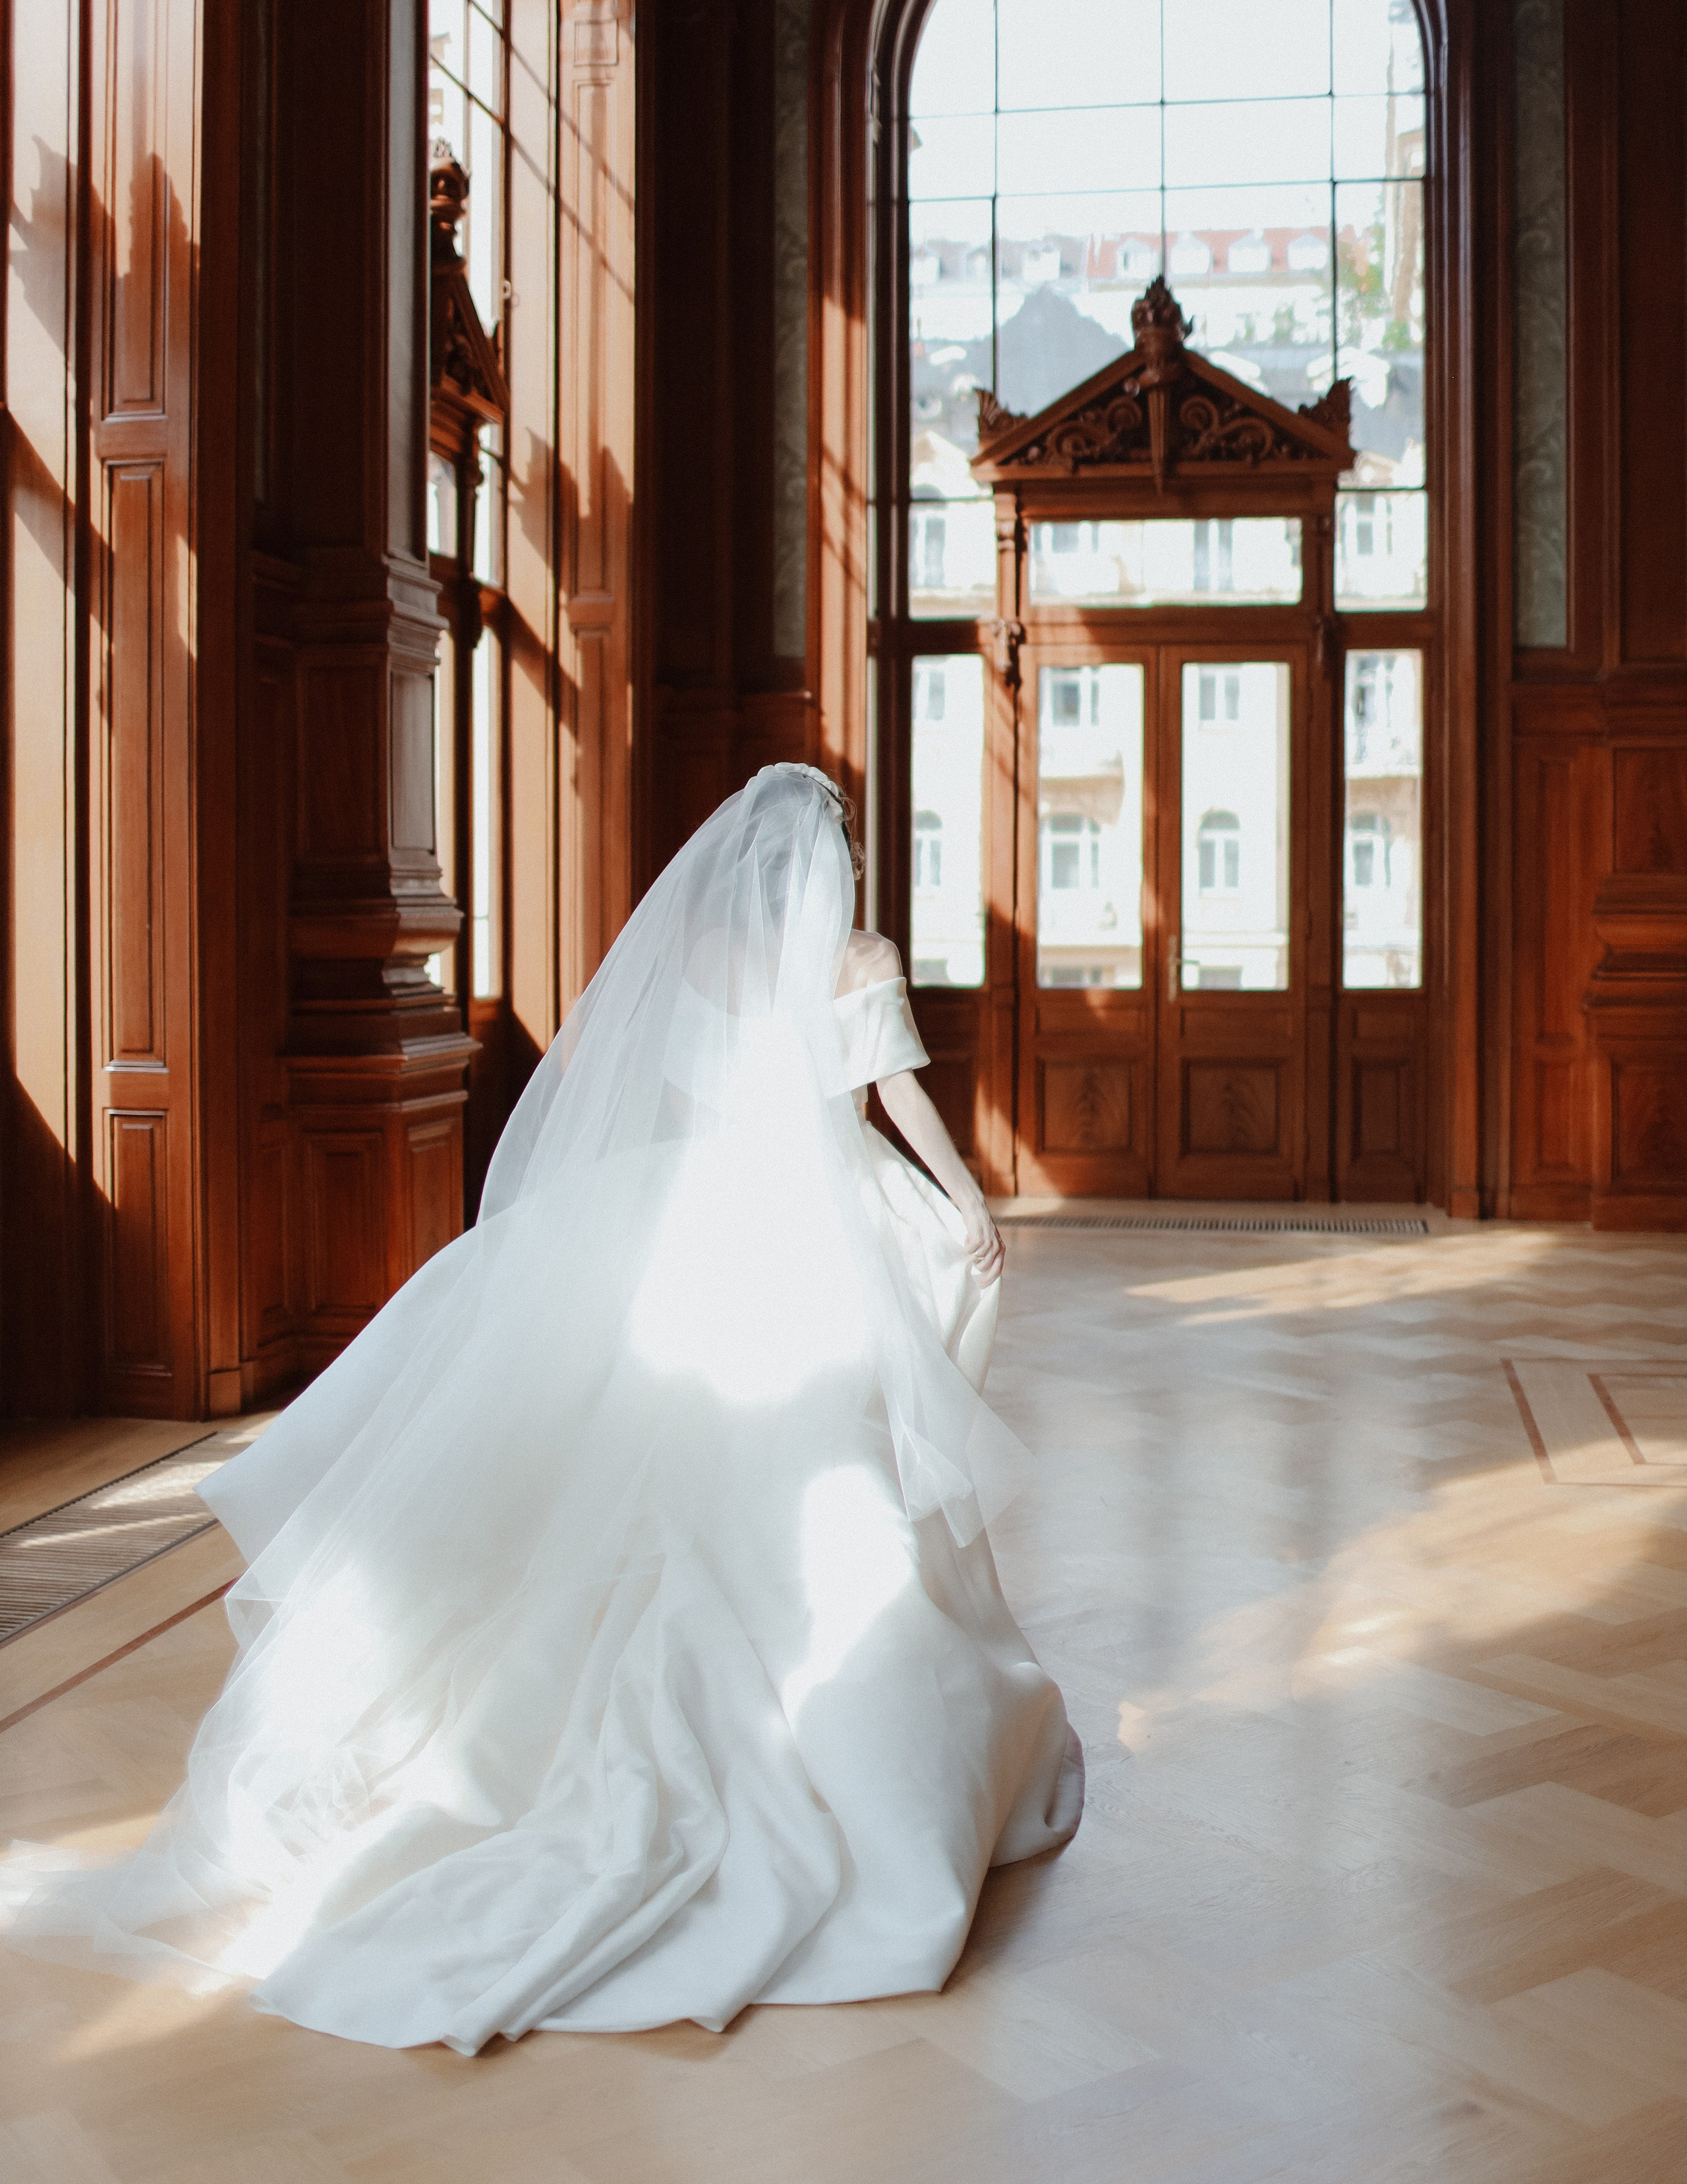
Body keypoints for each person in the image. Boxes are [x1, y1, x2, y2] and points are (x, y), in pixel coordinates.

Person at [1, 764, 1081, 2051]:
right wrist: (963, 1203)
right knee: (822, 1476)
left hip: (701, 1215)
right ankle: (846, 1756)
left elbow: (668, 1099)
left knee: (664, 1474)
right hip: (817, 1229)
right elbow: (898, 1097)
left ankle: (593, 1738)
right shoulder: (853, 953)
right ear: (838, 860)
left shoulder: (707, 953)